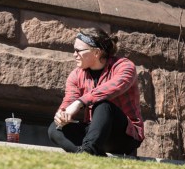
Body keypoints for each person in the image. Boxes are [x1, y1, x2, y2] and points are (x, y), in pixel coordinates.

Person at [48, 27, 144, 156]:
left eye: (78, 50)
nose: (74, 54)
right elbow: (69, 100)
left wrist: (79, 103)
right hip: (94, 133)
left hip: (123, 135)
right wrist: (62, 114)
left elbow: (111, 88)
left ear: (97, 52)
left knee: (103, 105)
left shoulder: (124, 66)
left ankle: (88, 151)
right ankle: (86, 154)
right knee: (55, 128)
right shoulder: (76, 75)